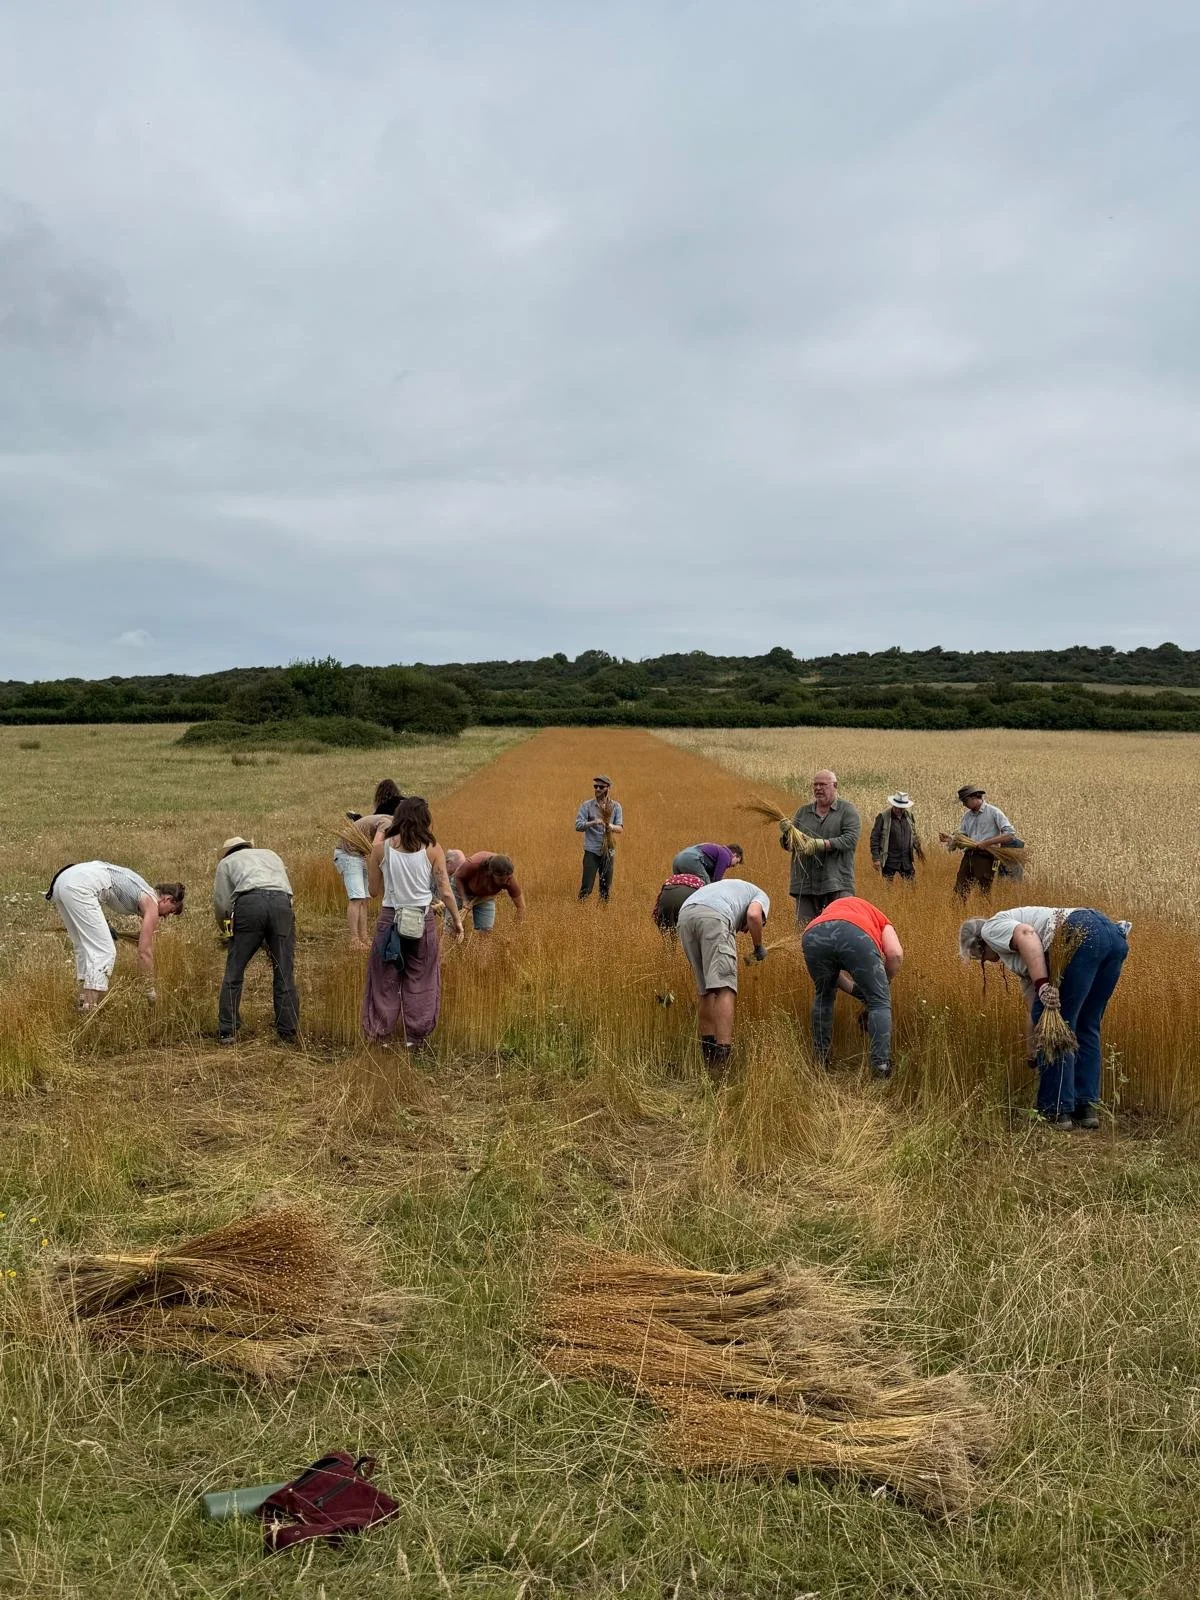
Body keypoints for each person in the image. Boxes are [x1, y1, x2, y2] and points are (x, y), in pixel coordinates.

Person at [959, 907, 1131, 1128]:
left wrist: (1042, 986)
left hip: (1083, 933)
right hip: (1112, 939)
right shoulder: (1025, 961)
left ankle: (1056, 1110)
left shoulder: (991, 928)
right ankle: (1086, 1108)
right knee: (1086, 1024)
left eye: (978, 958)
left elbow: (1026, 935)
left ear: (978, 945)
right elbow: (1035, 1011)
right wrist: (1032, 1050)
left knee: (1059, 1026)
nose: (987, 963)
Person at [363, 797, 464, 1046]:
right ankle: (416, 1038)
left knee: (384, 979)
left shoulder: (380, 849)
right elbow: (445, 891)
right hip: (422, 920)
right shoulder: (432, 848)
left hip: (390, 920)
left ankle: (380, 1035)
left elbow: (373, 891)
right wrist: (457, 920)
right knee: (421, 978)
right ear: (424, 820)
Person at [47, 862, 185, 1010]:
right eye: (171, 911)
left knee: (83, 946)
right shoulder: (152, 904)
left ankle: (82, 1001)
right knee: (105, 951)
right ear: (167, 899)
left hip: (63, 880)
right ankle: (88, 1009)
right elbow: (144, 952)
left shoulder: (144, 889)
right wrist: (149, 990)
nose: (165, 916)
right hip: (80, 886)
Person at [800, 896, 903, 1080]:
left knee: (823, 996)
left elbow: (833, 975)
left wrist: (857, 991)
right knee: (880, 1002)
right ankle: (881, 1067)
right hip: (856, 934)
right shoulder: (881, 919)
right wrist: (879, 988)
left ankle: (820, 1061)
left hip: (813, 932)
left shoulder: (833, 910)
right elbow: (895, 954)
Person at [676, 878, 769, 1075]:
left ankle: (709, 1061)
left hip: (685, 916)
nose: (743, 931)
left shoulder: (731, 888)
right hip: (715, 918)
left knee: (705, 990)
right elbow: (753, 916)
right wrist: (758, 947)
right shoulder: (760, 896)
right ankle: (723, 1062)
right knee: (725, 988)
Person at [212, 838, 299, 1044]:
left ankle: (228, 1030)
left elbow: (222, 903)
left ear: (227, 852)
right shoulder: (271, 854)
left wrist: (226, 931)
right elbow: (286, 890)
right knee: (284, 969)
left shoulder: (226, 863)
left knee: (235, 970)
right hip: (281, 903)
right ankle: (287, 1030)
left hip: (249, 904)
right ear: (248, 846)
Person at [781, 769, 860, 928]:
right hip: (806, 883)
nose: (818, 788)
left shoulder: (847, 811)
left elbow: (850, 839)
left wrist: (821, 844)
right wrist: (787, 834)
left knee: (840, 929)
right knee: (805, 932)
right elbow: (789, 846)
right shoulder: (803, 812)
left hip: (837, 882)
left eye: (822, 784)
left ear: (835, 786)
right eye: (815, 785)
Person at [334, 780, 404, 950]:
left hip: (358, 855)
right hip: (347, 854)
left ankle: (364, 938)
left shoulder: (389, 822)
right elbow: (375, 846)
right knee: (356, 898)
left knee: (364, 899)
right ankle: (354, 940)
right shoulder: (387, 822)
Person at [944, 785, 1021, 900]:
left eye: (965, 801)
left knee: (984, 893)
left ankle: (984, 915)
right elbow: (962, 836)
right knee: (959, 892)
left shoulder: (994, 812)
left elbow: (1010, 834)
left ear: (974, 797)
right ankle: (956, 915)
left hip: (986, 857)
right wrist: (950, 839)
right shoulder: (967, 816)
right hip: (969, 856)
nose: (964, 805)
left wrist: (987, 843)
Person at [450, 851, 526, 932]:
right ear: (490, 873)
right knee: (452, 928)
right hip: (460, 887)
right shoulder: (473, 864)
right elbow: (457, 877)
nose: (507, 882)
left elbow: (521, 907)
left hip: (484, 895)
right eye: (502, 880)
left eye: (509, 878)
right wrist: (464, 899)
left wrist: (514, 930)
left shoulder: (509, 879)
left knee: (486, 931)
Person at [575, 775, 623, 902]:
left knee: (605, 888)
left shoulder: (616, 806)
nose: (597, 789)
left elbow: (620, 828)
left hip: (609, 850)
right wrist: (593, 822)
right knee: (586, 887)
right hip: (591, 850)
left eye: (601, 787)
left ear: (608, 788)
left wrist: (610, 826)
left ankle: (603, 913)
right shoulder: (587, 805)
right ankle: (580, 911)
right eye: (595, 786)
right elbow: (578, 826)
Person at [869, 793, 923, 881]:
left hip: (906, 860)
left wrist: (917, 847)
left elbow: (913, 834)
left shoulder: (909, 816)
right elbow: (874, 838)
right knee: (888, 890)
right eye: (897, 807)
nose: (899, 809)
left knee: (912, 888)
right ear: (893, 805)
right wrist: (876, 858)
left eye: (901, 808)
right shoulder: (883, 817)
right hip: (889, 860)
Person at [670, 842, 744, 884]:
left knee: (679, 884)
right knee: (707, 887)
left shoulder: (717, 848)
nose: (734, 865)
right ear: (734, 855)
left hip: (677, 859)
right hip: (691, 859)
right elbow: (716, 880)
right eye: (737, 862)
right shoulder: (726, 855)